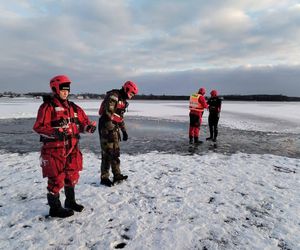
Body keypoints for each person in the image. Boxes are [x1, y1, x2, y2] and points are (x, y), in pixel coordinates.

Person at [33, 75, 96, 218]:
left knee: (72, 175)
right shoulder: (47, 107)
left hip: (72, 148)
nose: (65, 92)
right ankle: (54, 208)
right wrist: (55, 132)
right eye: (62, 90)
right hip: (55, 150)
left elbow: (83, 124)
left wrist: (88, 128)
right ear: (55, 89)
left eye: (67, 90)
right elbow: (38, 127)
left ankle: (70, 201)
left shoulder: (74, 108)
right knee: (56, 179)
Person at [98, 80, 138, 187]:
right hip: (106, 127)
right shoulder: (113, 96)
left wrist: (124, 131)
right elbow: (107, 114)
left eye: (133, 95)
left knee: (115, 152)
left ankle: (117, 174)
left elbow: (119, 117)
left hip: (114, 128)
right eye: (131, 93)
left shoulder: (123, 101)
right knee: (107, 152)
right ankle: (104, 177)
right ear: (126, 89)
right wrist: (111, 129)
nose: (131, 96)